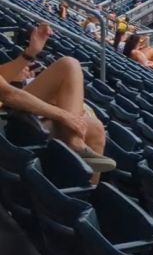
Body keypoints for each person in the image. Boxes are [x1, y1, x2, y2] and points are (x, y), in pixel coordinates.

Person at [0, 24, 112, 174]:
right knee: (94, 128)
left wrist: (30, 53)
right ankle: (75, 144)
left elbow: (3, 79)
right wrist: (64, 115)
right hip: (5, 122)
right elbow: (8, 94)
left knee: (69, 65)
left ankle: (74, 142)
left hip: (6, 112)